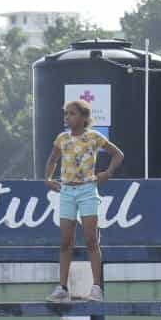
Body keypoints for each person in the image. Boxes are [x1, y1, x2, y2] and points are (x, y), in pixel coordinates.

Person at [44, 99, 124, 303]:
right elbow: (53, 159)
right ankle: (62, 288)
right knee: (65, 241)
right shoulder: (62, 138)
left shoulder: (93, 137)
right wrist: (48, 179)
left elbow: (118, 154)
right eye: (66, 114)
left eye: (72, 113)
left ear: (84, 117)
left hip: (88, 190)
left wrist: (108, 172)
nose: (67, 117)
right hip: (67, 191)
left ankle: (96, 288)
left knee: (90, 240)